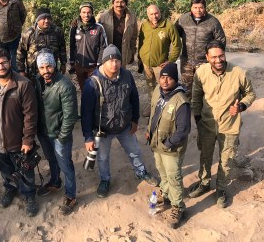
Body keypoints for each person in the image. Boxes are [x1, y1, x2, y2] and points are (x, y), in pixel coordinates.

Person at [81, 44, 158, 198]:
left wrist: (135, 120)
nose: (114, 64)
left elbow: (134, 98)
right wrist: (88, 136)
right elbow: (86, 113)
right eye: (110, 61)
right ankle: (105, 180)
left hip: (125, 126)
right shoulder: (92, 83)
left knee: (134, 151)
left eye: (117, 60)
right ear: (103, 62)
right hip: (103, 130)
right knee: (103, 157)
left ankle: (141, 171)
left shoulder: (127, 75)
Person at [188, 40, 256, 208]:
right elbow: (196, 96)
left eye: (221, 56)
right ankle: (204, 184)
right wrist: (197, 118)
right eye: (214, 57)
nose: (218, 60)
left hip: (230, 126)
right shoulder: (201, 72)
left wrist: (241, 106)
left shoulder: (238, 72)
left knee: (226, 161)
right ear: (207, 57)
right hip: (206, 124)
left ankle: (221, 189)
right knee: (205, 156)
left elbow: (250, 94)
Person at [0, 48, 40, 217]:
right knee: (4, 168)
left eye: (4, 63)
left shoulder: (23, 84)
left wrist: (28, 139)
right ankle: (10, 189)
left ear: (10, 62)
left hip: (16, 139)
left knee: (24, 168)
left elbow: (30, 114)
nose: (1, 67)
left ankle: (29, 196)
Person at [146, 63, 190, 229]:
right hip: (157, 144)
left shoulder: (181, 101)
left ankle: (178, 207)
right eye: (162, 77)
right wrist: (149, 131)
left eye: (169, 78)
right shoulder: (158, 91)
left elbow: (183, 130)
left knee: (174, 177)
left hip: (171, 148)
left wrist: (168, 143)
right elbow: (153, 113)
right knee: (162, 173)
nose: (165, 81)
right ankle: (165, 194)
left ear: (175, 79)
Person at [34, 50, 78, 215]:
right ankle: (55, 182)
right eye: (42, 67)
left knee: (65, 164)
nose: (46, 71)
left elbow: (70, 116)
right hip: (44, 132)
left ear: (55, 66)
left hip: (59, 135)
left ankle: (71, 195)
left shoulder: (65, 86)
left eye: (49, 66)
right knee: (51, 159)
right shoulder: (38, 82)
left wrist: (62, 136)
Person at [175, 0, 226, 94]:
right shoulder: (183, 19)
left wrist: (214, 58)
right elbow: (174, 35)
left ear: (205, 8)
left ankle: (204, 108)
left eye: (201, 7)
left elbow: (221, 40)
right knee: (186, 89)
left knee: (204, 89)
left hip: (205, 62)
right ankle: (188, 108)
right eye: (195, 7)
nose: (198, 10)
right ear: (191, 8)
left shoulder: (213, 22)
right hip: (187, 62)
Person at [137, 4, 182, 94]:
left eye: (156, 13)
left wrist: (170, 60)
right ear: (148, 15)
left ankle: (163, 105)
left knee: (163, 87)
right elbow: (141, 41)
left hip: (160, 65)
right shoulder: (144, 25)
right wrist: (140, 58)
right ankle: (153, 105)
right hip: (146, 63)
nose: (154, 16)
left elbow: (177, 45)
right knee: (150, 86)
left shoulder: (168, 26)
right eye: (151, 14)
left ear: (160, 12)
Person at [17, 7, 67, 81]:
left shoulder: (57, 32)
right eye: (43, 18)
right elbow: (20, 52)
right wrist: (21, 70)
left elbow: (62, 48)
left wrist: (63, 63)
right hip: (33, 72)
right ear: (37, 20)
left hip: (52, 71)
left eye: (48, 18)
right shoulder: (29, 34)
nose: (46, 21)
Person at [68, 2, 107, 92]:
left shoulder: (99, 28)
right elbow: (72, 45)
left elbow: (103, 46)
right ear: (80, 13)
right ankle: (84, 105)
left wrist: (99, 63)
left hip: (94, 66)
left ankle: (95, 106)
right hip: (79, 65)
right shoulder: (74, 27)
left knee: (94, 90)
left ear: (92, 13)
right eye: (84, 12)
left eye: (89, 12)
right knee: (83, 90)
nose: (86, 15)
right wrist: (72, 62)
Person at [97, 0, 138, 66]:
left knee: (121, 74)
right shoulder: (103, 16)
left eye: (122, 2)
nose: (119, 4)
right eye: (117, 2)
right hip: (107, 52)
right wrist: (78, 20)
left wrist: (132, 52)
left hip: (123, 52)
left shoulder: (132, 17)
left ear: (126, 3)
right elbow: (91, 24)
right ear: (113, 3)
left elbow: (133, 36)